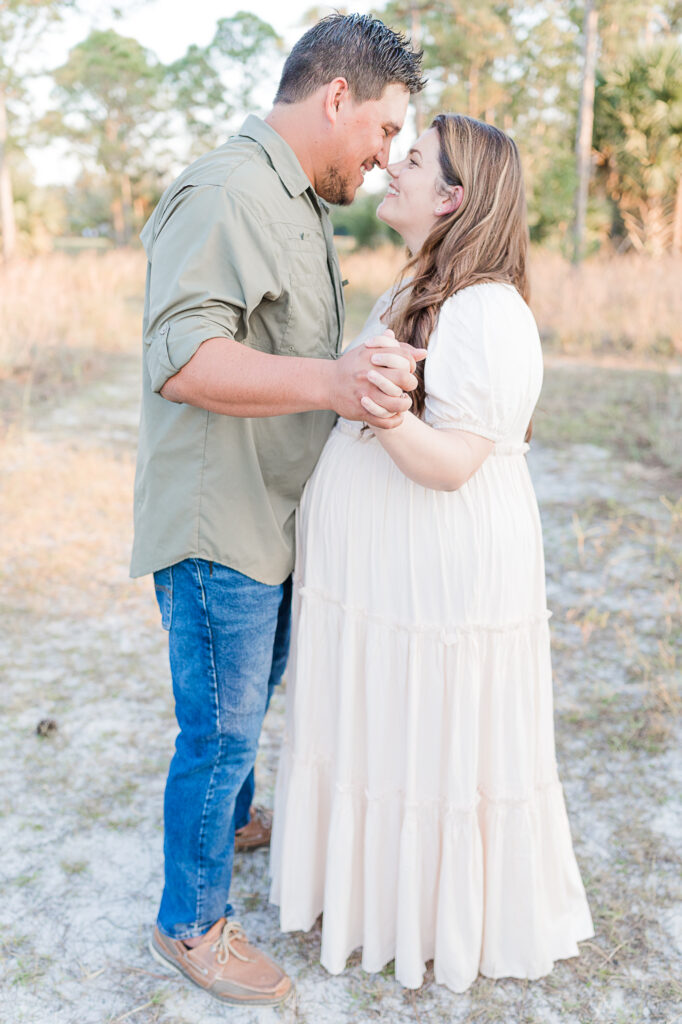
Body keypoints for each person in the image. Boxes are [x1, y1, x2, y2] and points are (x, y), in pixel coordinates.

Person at [130, 14, 425, 1007]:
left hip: (275, 516)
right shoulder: (225, 190)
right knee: (218, 729)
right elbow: (181, 360)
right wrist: (335, 382)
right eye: (384, 132)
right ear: (337, 97)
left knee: (243, 720)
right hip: (224, 526)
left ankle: (228, 823)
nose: (387, 159)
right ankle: (190, 923)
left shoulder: (299, 201)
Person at [269, 114, 594, 993]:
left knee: (432, 734)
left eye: (411, 161)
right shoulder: (416, 288)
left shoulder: (488, 312)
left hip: (438, 581)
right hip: (381, 587)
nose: (391, 169)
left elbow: (452, 463)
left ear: (453, 197)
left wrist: (378, 411)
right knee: (386, 728)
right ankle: (375, 900)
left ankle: (431, 918)